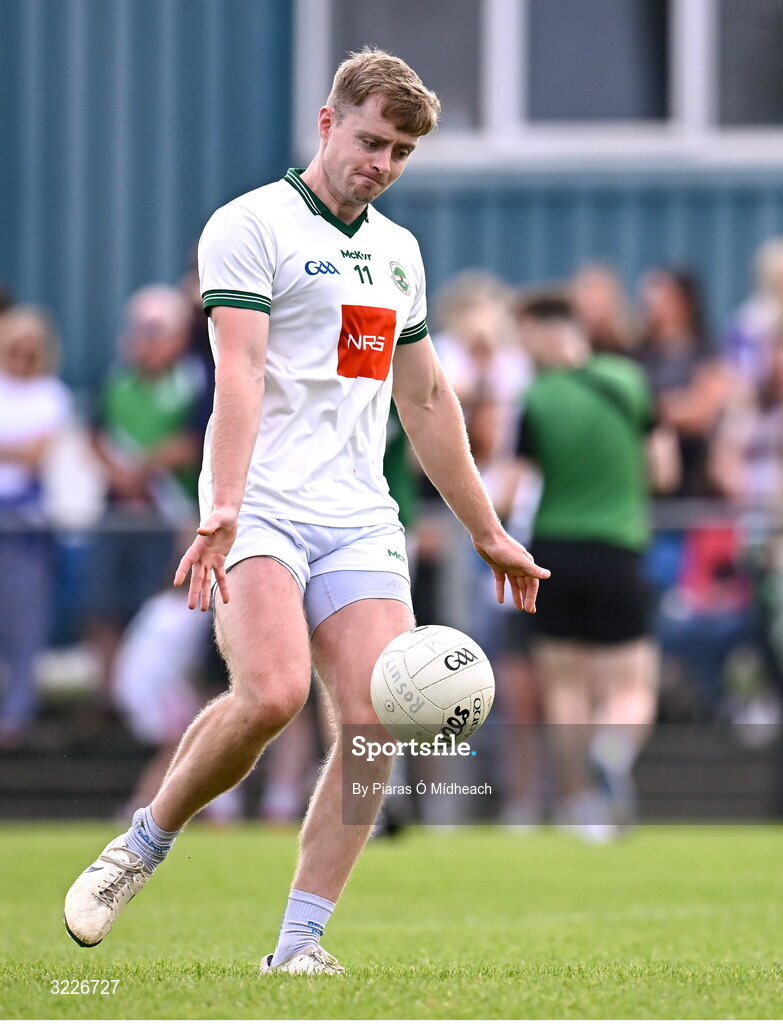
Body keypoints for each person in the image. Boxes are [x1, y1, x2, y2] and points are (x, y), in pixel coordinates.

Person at [64, 48, 549, 974]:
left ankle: (298, 946)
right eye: (372, 140)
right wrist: (226, 507)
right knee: (273, 695)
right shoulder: (249, 225)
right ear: (327, 123)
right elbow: (238, 374)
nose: (383, 163)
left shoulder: (398, 252)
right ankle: (142, 844)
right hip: (259, 507)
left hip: (359, 513)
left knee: (377, 722)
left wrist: (488, 531)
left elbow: (428, 401)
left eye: (402, 151)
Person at [510, 292, 669, 842]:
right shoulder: (628, 381)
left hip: (552, 551)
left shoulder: (536, 395)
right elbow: (664, 469)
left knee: (565, 685)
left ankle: (581, 805)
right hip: (618, 547)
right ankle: (614, 749)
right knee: (632, 683)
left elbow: (513, 486)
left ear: (544, 332)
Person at [0, 306, 73, 746]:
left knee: (25, 617)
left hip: (25, 522)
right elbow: (23, 451)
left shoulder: (52, 394)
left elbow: (36, 457)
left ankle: (17, 710)